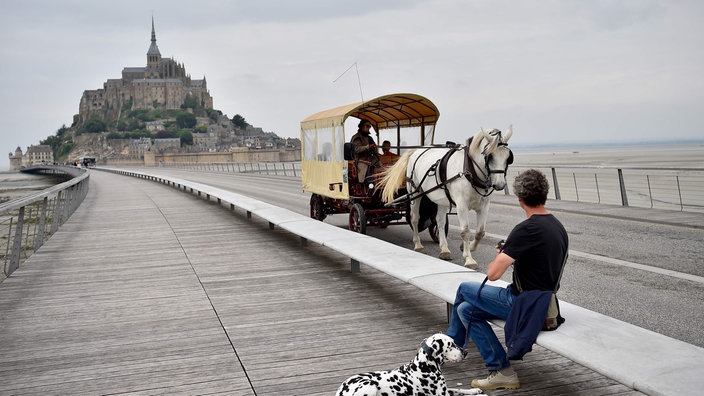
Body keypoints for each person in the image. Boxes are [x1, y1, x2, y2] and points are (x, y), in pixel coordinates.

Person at [446, 169, 568, 391]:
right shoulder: (557, 226)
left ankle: (448, 345)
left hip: (523, 303)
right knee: (465, 310)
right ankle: (502, 371)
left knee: (464, 288)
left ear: (519, 199)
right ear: (545, 194)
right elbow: (540, 260)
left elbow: (493, 274)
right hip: (546, 302)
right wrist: (513, 252)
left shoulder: (526, 229)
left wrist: (504, 254)